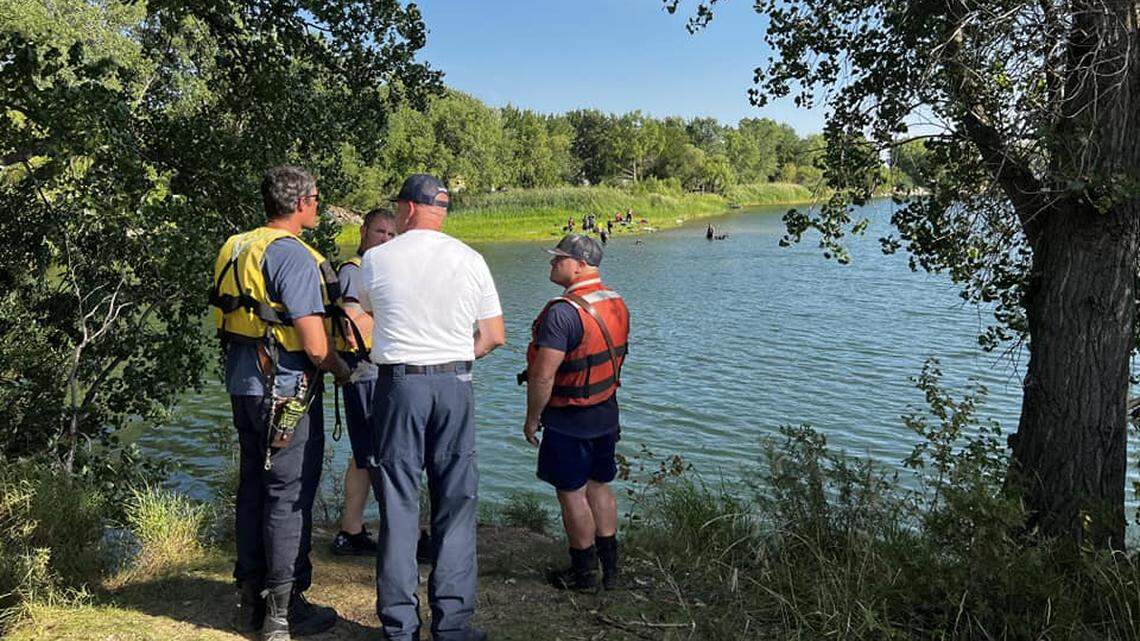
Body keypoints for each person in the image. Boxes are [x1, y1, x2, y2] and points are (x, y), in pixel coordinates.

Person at [358, 174, 505, 641]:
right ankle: (453, 625)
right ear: (441, 212)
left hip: (400, 386)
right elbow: (494, 335)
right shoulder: (471, 259)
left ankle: (400, 627)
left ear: (406, 209)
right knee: (456, 502)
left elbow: (362, 313)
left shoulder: (377, 258)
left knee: (399, 503)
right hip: (454, 383)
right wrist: (456, 357)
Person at [210, 165, 352, 640]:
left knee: (254, 487)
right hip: (285, 391)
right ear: (301, 203)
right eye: (316, 199)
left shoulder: (237, 246)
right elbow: (313, 343)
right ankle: (282, 612)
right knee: (288, 497)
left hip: (244, 386)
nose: (318, 207)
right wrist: (341, 368)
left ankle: (250, 601)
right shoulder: (291, 254)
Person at [518, 234, 630, 592]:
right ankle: (611, 569)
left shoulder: (563, 313)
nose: (552, 263)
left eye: (559, 258)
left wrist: (532, 418)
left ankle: (584, 574)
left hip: (570, 417)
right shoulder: (615, 300)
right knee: (599, 485)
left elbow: (543, 375)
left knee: (571, 492)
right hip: (606, 411)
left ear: (581, 265)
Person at [329, 208, 396, 556]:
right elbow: (351, 325)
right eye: (380, 232)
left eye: (392, 235)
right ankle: (401, 534)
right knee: (379, 453)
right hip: (365, 371)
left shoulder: (377, 271)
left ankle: (350, 531)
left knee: (362, 456)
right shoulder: (355, 271)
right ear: (364, 231)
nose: (386, 239)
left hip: (369, 370)